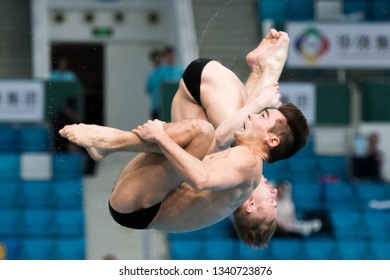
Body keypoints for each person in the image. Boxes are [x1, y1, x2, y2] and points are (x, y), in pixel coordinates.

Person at [59, 101, 308, 247]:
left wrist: (160, 136)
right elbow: (223, 136)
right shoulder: (245, 170)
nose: (275, 191)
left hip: (142, 205)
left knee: (202, 130)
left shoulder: (249, 164)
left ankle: (110, 142)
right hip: (144, 205)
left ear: (272, 140)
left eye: (262, 116)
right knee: (207, 131)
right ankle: (110, 144)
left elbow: (200, 179)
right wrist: (263, 72)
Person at [171, 28, 289, 151]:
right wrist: (261, 102)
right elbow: (222, 139)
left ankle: (259, 72)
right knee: (236, 141)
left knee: (234, 142)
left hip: (208, 84)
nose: (254, 117)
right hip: (208, 82)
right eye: (262, 116)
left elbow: (222, 138)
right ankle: (268, 69)